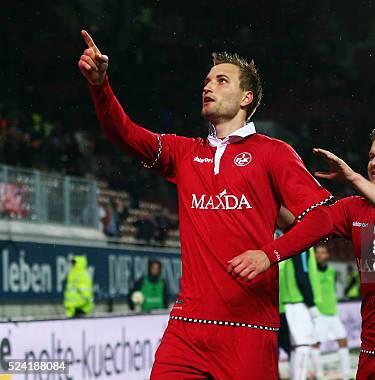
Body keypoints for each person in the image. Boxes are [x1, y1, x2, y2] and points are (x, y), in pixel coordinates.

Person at [78, 30, 335, 379]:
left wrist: (268, 254)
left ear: (246, 97)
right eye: (207, 80)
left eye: (221, 80)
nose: (208, 86)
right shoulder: (184, 153)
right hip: (187, 328)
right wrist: (100, 86)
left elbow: (322, 219)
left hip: (248, 328)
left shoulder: (273, 153)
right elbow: (123, 133)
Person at [235, 126, 375, 379]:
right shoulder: (354, 208)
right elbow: (302, 227)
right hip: (372, 346)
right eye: (371, 156)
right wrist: (264, 195)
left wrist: (355, 179)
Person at [278, 246, 321, 380]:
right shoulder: (302, 246)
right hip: (298, 303)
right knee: (303, 348)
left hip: (289, 304)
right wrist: (311, 303)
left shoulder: (289, 245)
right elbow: (301, 274)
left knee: (296, 348)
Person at [311, 243, 351, 380]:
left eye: (323, 252)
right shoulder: (311, 271)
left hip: (333, 313)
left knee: (343, 341)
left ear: (327, 255)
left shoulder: (331, 271)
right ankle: (319, 375)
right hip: (318, 314)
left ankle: (346, 375)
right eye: (318, 252)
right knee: (316, 345)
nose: (320, 255)